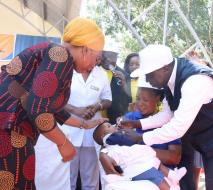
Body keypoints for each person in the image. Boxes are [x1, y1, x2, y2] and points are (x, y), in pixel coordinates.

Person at [111, 44, 213, 190]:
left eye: (149, 74)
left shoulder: (195, 81)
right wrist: (136, 124)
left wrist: (140, 138)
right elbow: (167, 115)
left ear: (165, 68)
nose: (147, 80)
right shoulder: (169, 80)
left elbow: (177, 127)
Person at [0, 17, 107, 189]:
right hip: (8, 129)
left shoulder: (57, 56)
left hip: (9, 127)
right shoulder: (61, 55)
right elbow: (39, 110)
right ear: (86, 49)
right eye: (97, 58)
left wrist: (83, 124)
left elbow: (47, 106)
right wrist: (63, 143)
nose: (95, 65)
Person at [93, 122, 186, 190]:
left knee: (157, 166)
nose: (113, 125)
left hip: (141, 164)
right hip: (138, 168)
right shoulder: (110, 138)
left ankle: (173, 175)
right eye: (109, 126)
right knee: (157, 177)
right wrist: (136, 139)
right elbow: (126, 140)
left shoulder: (111, 142)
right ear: (104, 135)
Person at [123, 77, 182, 169]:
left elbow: (174, 157)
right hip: (133, 172)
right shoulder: (130, 118)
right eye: (138, 99)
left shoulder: (168, 122)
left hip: (161, 177)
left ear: (157, 99)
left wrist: (140, 151)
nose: (140, 103)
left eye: (145, 100)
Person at [100, 51, 131, 124]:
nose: (108, 59)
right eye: (104, 55)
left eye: (111, 56)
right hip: (93, 116)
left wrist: (124, 84)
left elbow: (128, 100)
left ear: (116, 57)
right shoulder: (93, 69)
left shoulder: (125, 75)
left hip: (112, 119)